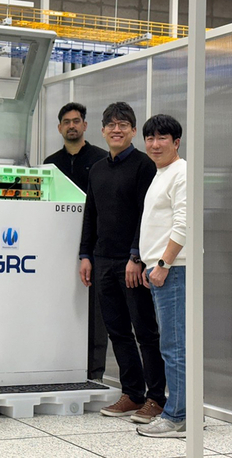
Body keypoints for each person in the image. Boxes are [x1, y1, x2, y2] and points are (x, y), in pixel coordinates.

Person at [78, 102, 167, 424]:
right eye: (111, 125)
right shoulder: (97, 169)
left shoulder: (144, 167)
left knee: (145, 331)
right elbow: (91, 214)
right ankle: (132, 394)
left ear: (133, 131)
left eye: (123, 125)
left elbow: (147, 216)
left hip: (133, 263)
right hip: (102, 260)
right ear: (102, 130)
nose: (117, 130)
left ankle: (156, 398)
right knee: (117, 331)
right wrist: (85, 255)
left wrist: (136, 256)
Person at [45, 102, 109, 382]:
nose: (72, 125)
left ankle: (94, 374)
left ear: (85, 125)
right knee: (59, 305)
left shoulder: (101, 160)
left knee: (95, 314)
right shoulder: (50, 165)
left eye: (76, 121)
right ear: (59, 128)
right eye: (66, 122)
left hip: (94, 247)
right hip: (57, 247)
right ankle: (58, 366)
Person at [135, 114, 187, 437]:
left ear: (176, 142)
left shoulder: (181, 173)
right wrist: (150, 263)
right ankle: (184, 411)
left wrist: (164, 264)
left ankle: (177, 417)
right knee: (173, 345)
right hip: (160, 270)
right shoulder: (161, 173)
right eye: (150, 138)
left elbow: (184, 224)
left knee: (174, 347)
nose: (155, 144)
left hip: (174, 271)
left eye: (162, 138)